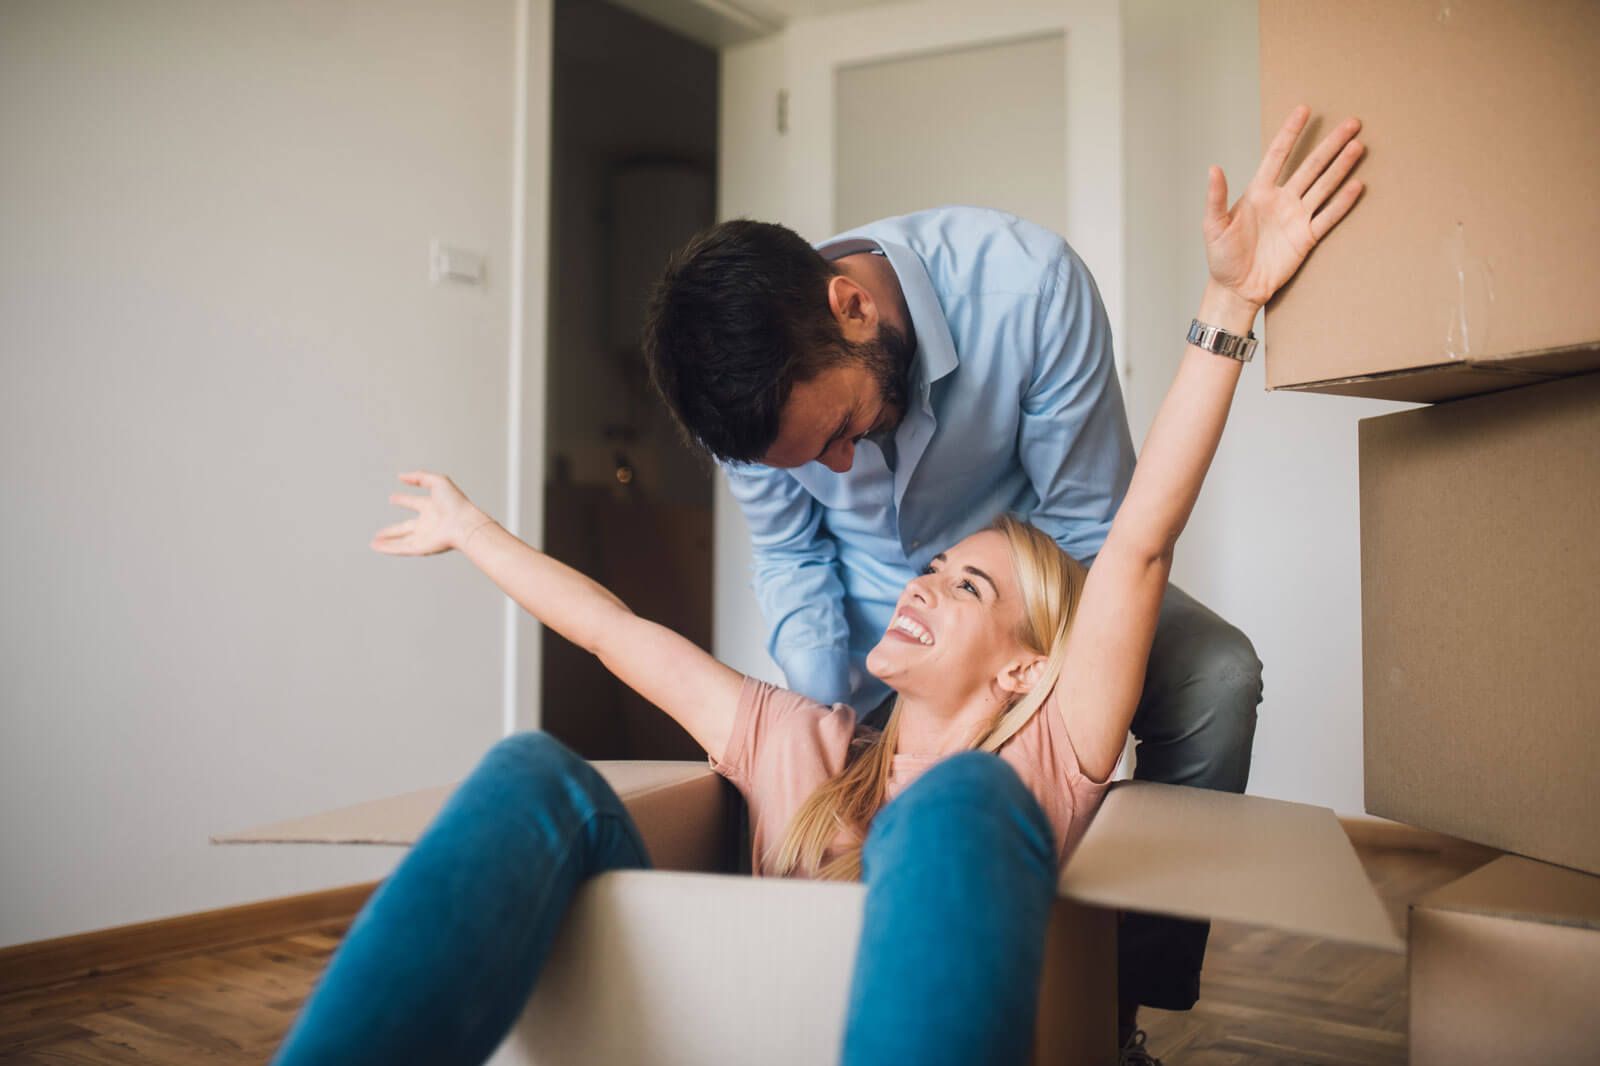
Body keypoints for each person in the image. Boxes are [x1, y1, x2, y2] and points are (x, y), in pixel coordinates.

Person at [270, 106, 1364, 1066]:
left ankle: (1123, 1007)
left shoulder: (1046, 756)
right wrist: (473, 530)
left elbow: (1124, 545)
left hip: (1029, 678)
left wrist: (1229, 302)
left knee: (986, 784)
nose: (918, 579)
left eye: (966, 586)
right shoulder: (794, 743)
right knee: (530, 773)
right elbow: (613, 630)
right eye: (934, 567)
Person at [644, 135, 1267, 1034]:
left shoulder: (1031, 287)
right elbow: (790, 560)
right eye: (816, 460)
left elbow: (1104, 534)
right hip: (868, 614)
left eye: (845, 428)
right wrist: (830, 730)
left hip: (1035, 581)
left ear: (852, 306)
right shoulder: (744, 409)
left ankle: (1118, 1002)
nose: (843, 465)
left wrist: (1019, 691)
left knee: (1217, 678)